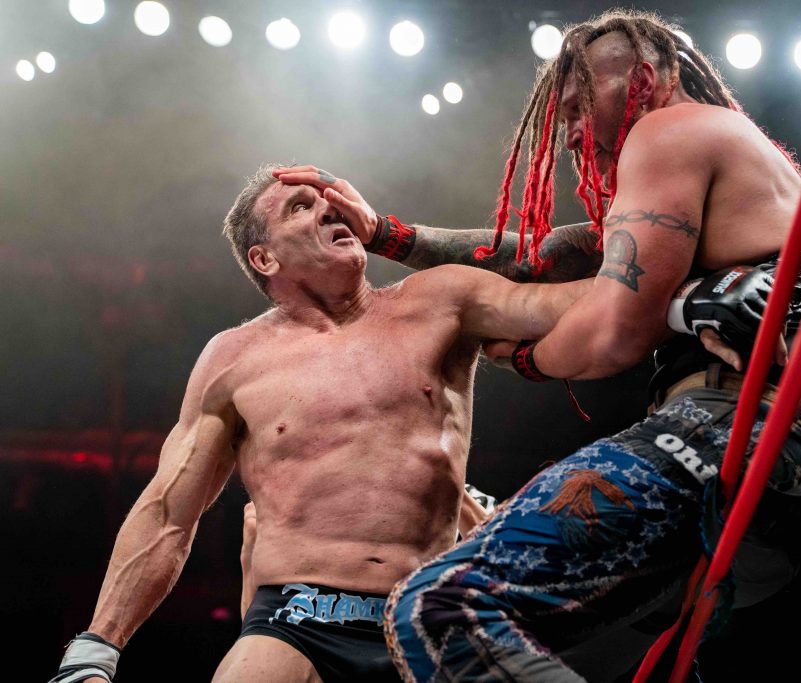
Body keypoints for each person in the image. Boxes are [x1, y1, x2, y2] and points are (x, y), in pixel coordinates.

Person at [369, 10, 801, 681]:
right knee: (581, 659)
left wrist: (527, 358)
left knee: (443, 606)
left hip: (721, 437)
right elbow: (542, 259)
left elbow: (614, 331)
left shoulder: (667, 132)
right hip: (792, 473)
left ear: (645, 77)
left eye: (577, 105)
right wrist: (386, 234)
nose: (569, 132)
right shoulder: (727, 162)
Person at [48, 163, 592, 683]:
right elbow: (169, 511)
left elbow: (572, 298)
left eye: (329, 199)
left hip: (428, 611)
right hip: (297, 619)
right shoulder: (234, 359)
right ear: (265, 258)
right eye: (300, 207)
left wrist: (648, 254)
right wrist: (96, 647)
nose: (330, 208)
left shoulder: (441, 299)